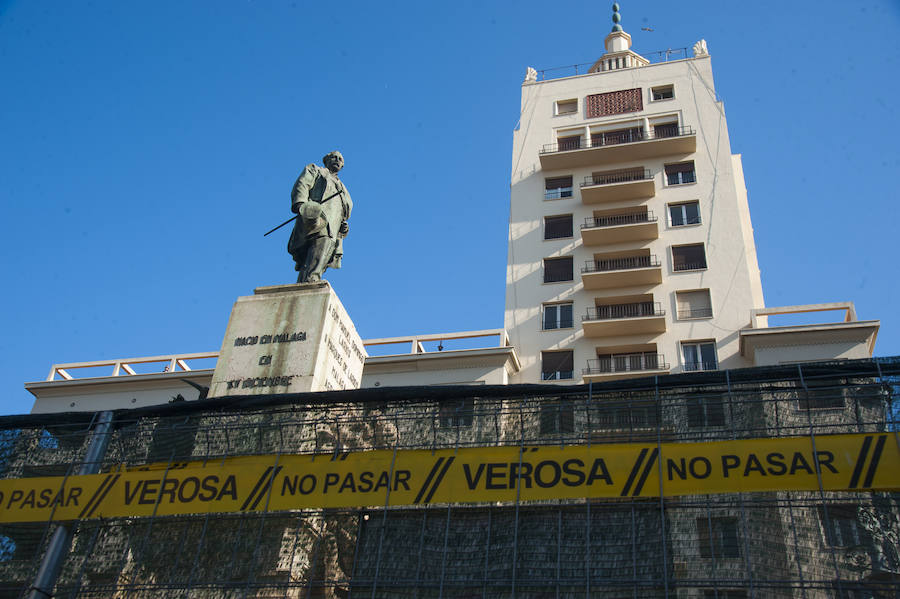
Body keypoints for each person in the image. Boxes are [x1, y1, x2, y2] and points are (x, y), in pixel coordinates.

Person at [287, 151, 352, 283]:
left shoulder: (343, 189)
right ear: (326, 160)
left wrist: (343, 227)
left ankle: (305, 282)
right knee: (320, 243)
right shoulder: (316, 170)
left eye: (340, 159)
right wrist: (301, 204)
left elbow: (344, 213)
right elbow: (302, 184)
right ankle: (312, 278)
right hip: (316, 216)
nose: (337, 160)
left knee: (324, 253)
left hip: (334, 226)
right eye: (334, 157)